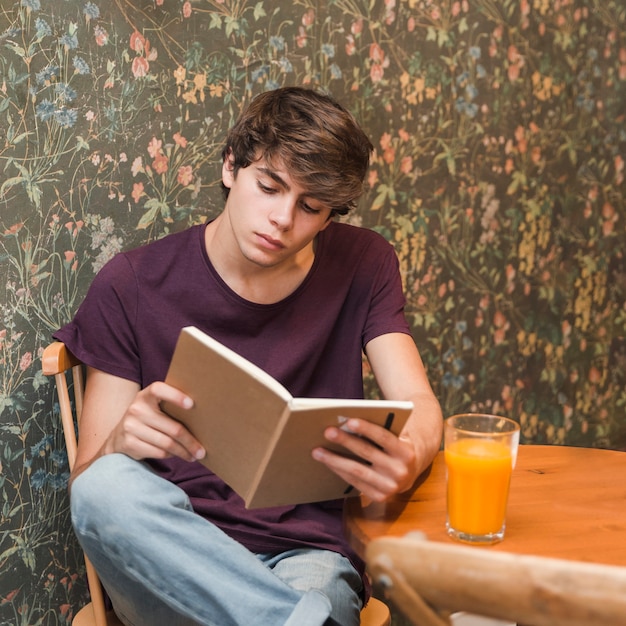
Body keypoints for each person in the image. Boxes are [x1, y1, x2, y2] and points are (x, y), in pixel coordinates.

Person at [55, 86, 443, 626]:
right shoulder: (132, 284)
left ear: (331, 216)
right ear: (231, 167)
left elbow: (419, 405)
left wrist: (409, 458)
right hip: (172, 559)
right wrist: (119, 441)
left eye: (310, 207)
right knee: (104, 485)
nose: (283, 219)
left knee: (316, 593)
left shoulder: (364, 263)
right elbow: (89, 493)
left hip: (305, 557)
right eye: (269, 186)